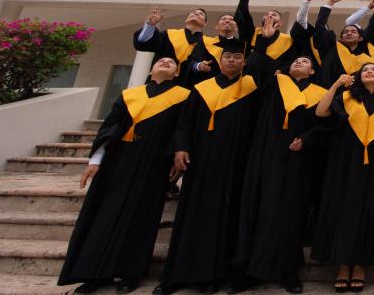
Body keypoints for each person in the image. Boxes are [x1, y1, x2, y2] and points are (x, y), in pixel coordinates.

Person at [59, 57, 191, 294]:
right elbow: (109, 127)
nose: (165, 63)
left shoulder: (183, 96)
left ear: (176, 72)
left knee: (142, 216)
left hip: (154, 163)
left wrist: (176, 155)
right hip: (118, 161)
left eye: (171, 63)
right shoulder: (131, 94)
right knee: (103, 214)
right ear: (150, 70)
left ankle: (130, 273)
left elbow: (182, 128)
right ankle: (93, 272)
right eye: (161, 61)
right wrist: (95, 160)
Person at [154, 39, 261, 295]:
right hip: (200, 162)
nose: (232, 60)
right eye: (227, 57)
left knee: (226, 218)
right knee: (190, 215)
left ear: (244, 62)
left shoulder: (251, 88)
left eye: (237, 57)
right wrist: (181, 148)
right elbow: (184, 124)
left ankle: (213, 275)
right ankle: (175, 275)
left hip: (234, 164)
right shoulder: (202, 88)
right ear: (220, 61)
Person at [234, 33, 327, 293]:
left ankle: (288, 271)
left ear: (312, 71)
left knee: (292, 213)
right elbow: (252, 68)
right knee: (257, 208)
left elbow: (325, 126)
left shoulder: (319, 93)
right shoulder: (275, 84)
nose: (299, 62)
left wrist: (307, 140)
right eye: (296, 60)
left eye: (305, 61)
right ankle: (249, 271)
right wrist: (262, 41)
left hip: (299, 159)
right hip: (266, 154)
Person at [312, 63, 374, 293]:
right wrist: (336, 84)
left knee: (369, 212)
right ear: (359, 77)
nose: (369, 72)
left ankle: (360, 265)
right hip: (344, 163)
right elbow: (320, 112)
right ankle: (343, 264)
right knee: (344, 210)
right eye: (365, 70)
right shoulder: (347, 97)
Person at [312, 0, 374, 86]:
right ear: (341, 38)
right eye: (346, 32)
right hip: (328, 95)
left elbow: (371, 30)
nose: (349, 33)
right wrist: (330, 3)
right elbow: (320, 28)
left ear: (360, 38)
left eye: (353, 31)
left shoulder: (367, 59)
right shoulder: (331, 48)